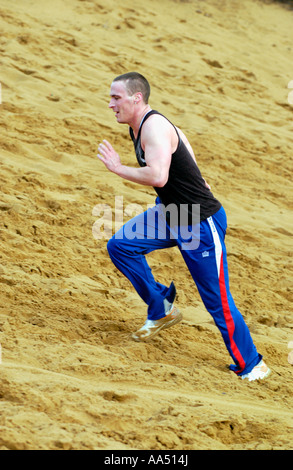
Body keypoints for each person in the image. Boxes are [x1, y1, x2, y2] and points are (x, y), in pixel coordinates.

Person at [97, 72, 270, 382]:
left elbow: (158, 177)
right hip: (173, 212)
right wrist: (198, 177)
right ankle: (161, 307)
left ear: (137, 98)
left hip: (198, 222)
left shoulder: (153, 127)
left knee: (216, 299)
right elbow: (183, 138)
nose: (110, 104)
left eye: (116, 98)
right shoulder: (140, 126)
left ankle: (252, 363)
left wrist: (118, 168)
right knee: (121, 246)